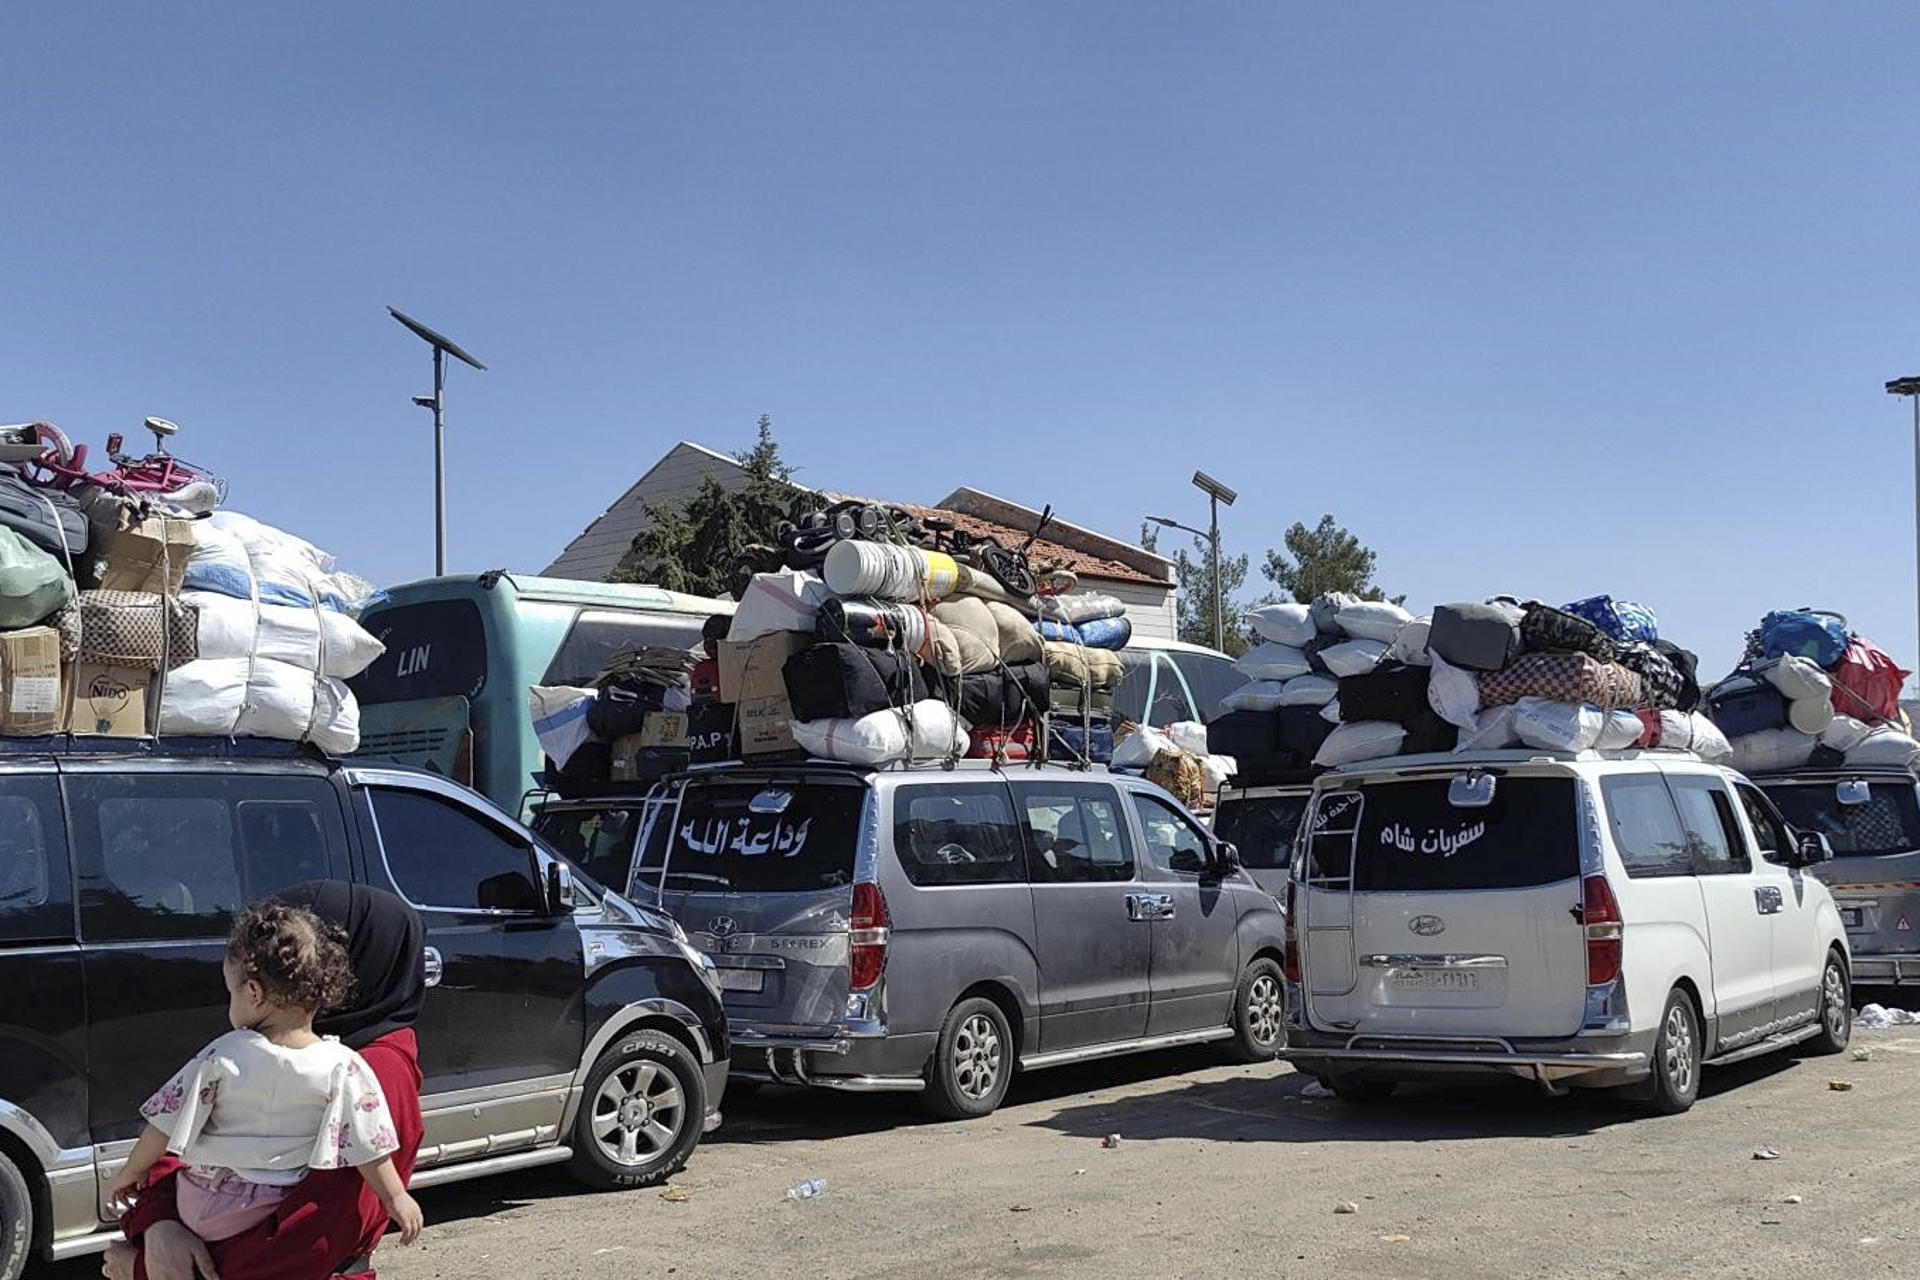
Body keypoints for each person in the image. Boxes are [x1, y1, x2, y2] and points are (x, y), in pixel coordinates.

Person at [108, 883, 428, 1280]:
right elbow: (182, 1141)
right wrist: (158, 1224)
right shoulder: (280, 1047)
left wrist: (140, 1267)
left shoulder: (376, 1071)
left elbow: (308, 1240)